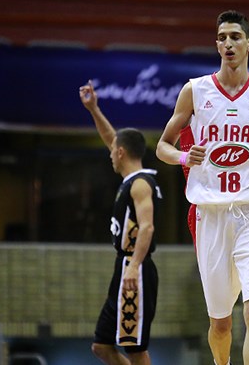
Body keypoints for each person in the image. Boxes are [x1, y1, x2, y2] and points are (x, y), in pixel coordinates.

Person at [155, 10, 249, 365]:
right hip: (211, 215)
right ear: (216, 44)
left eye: (235, 37)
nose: (228, 43)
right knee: (220, 324)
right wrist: (182, 158)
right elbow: (162, 145)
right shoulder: (195, 90)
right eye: (222, 37)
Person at [79, 80, 161, 365]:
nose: (110, 152)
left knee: (135, 349)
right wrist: (94, 109)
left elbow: (147, 227)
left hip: (135, 267)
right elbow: (111, 137)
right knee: (101, 346)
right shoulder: (131, 178)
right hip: (124, 265)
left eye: (113, 150)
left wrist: (134, 266)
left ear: (122, 153)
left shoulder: (140, 185)